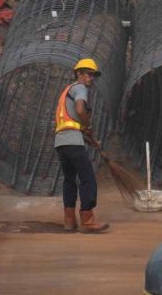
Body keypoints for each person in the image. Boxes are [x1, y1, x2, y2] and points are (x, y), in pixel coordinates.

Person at [54, 58, 111, 233]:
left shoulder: (66, 91)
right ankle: (87, 219)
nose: (90, 78)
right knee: (88, 178)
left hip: (61, 143)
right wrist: (88, 126)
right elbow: (80, 111)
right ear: (78, 74)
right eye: (88, 74)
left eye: (93, 75)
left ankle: (69, 220)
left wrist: (88, 137)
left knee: (69, 181)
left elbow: (71, 123)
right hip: (72, 141)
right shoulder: (80, 88)